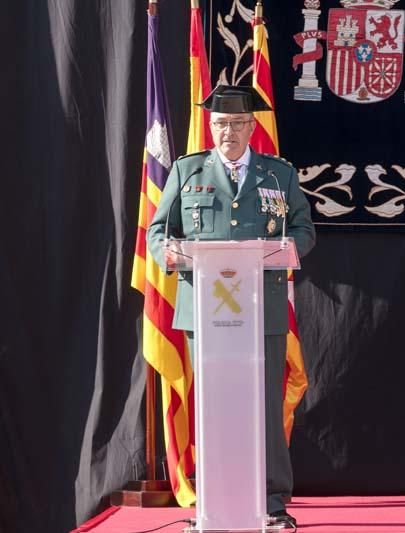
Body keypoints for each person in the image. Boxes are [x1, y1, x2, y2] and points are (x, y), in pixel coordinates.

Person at [147, 85, 315, 529]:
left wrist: (286, 250)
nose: (229, 133)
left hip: (262, 310)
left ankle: (273, 503)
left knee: (263, 404)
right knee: (213, 405)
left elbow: (303, 229)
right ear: (211, 126)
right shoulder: (187, 172)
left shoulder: (278, 175)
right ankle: (211, 504)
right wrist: (170, 252)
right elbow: (158, 231)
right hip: (205, 311)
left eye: (238, 124)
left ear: (251, 126)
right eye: (220, 124)